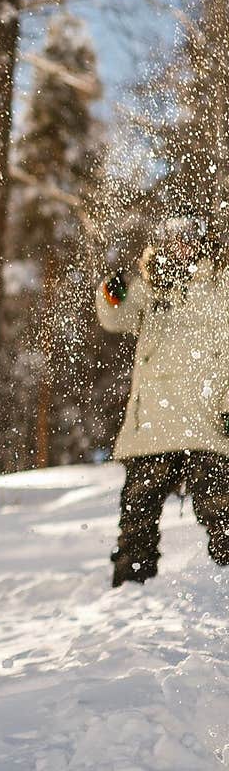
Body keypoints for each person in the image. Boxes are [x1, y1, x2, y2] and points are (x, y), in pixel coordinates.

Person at [97, 215, 229, 587]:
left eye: (188, 237)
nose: (180, 245)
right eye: (173, 238)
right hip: (153, 422)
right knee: (137, 516)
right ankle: (129, 594)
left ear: (204, 241)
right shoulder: (151, 286)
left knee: (221, 511)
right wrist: (112, 290)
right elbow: (115, 316)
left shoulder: (221, 284)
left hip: (208, 421)